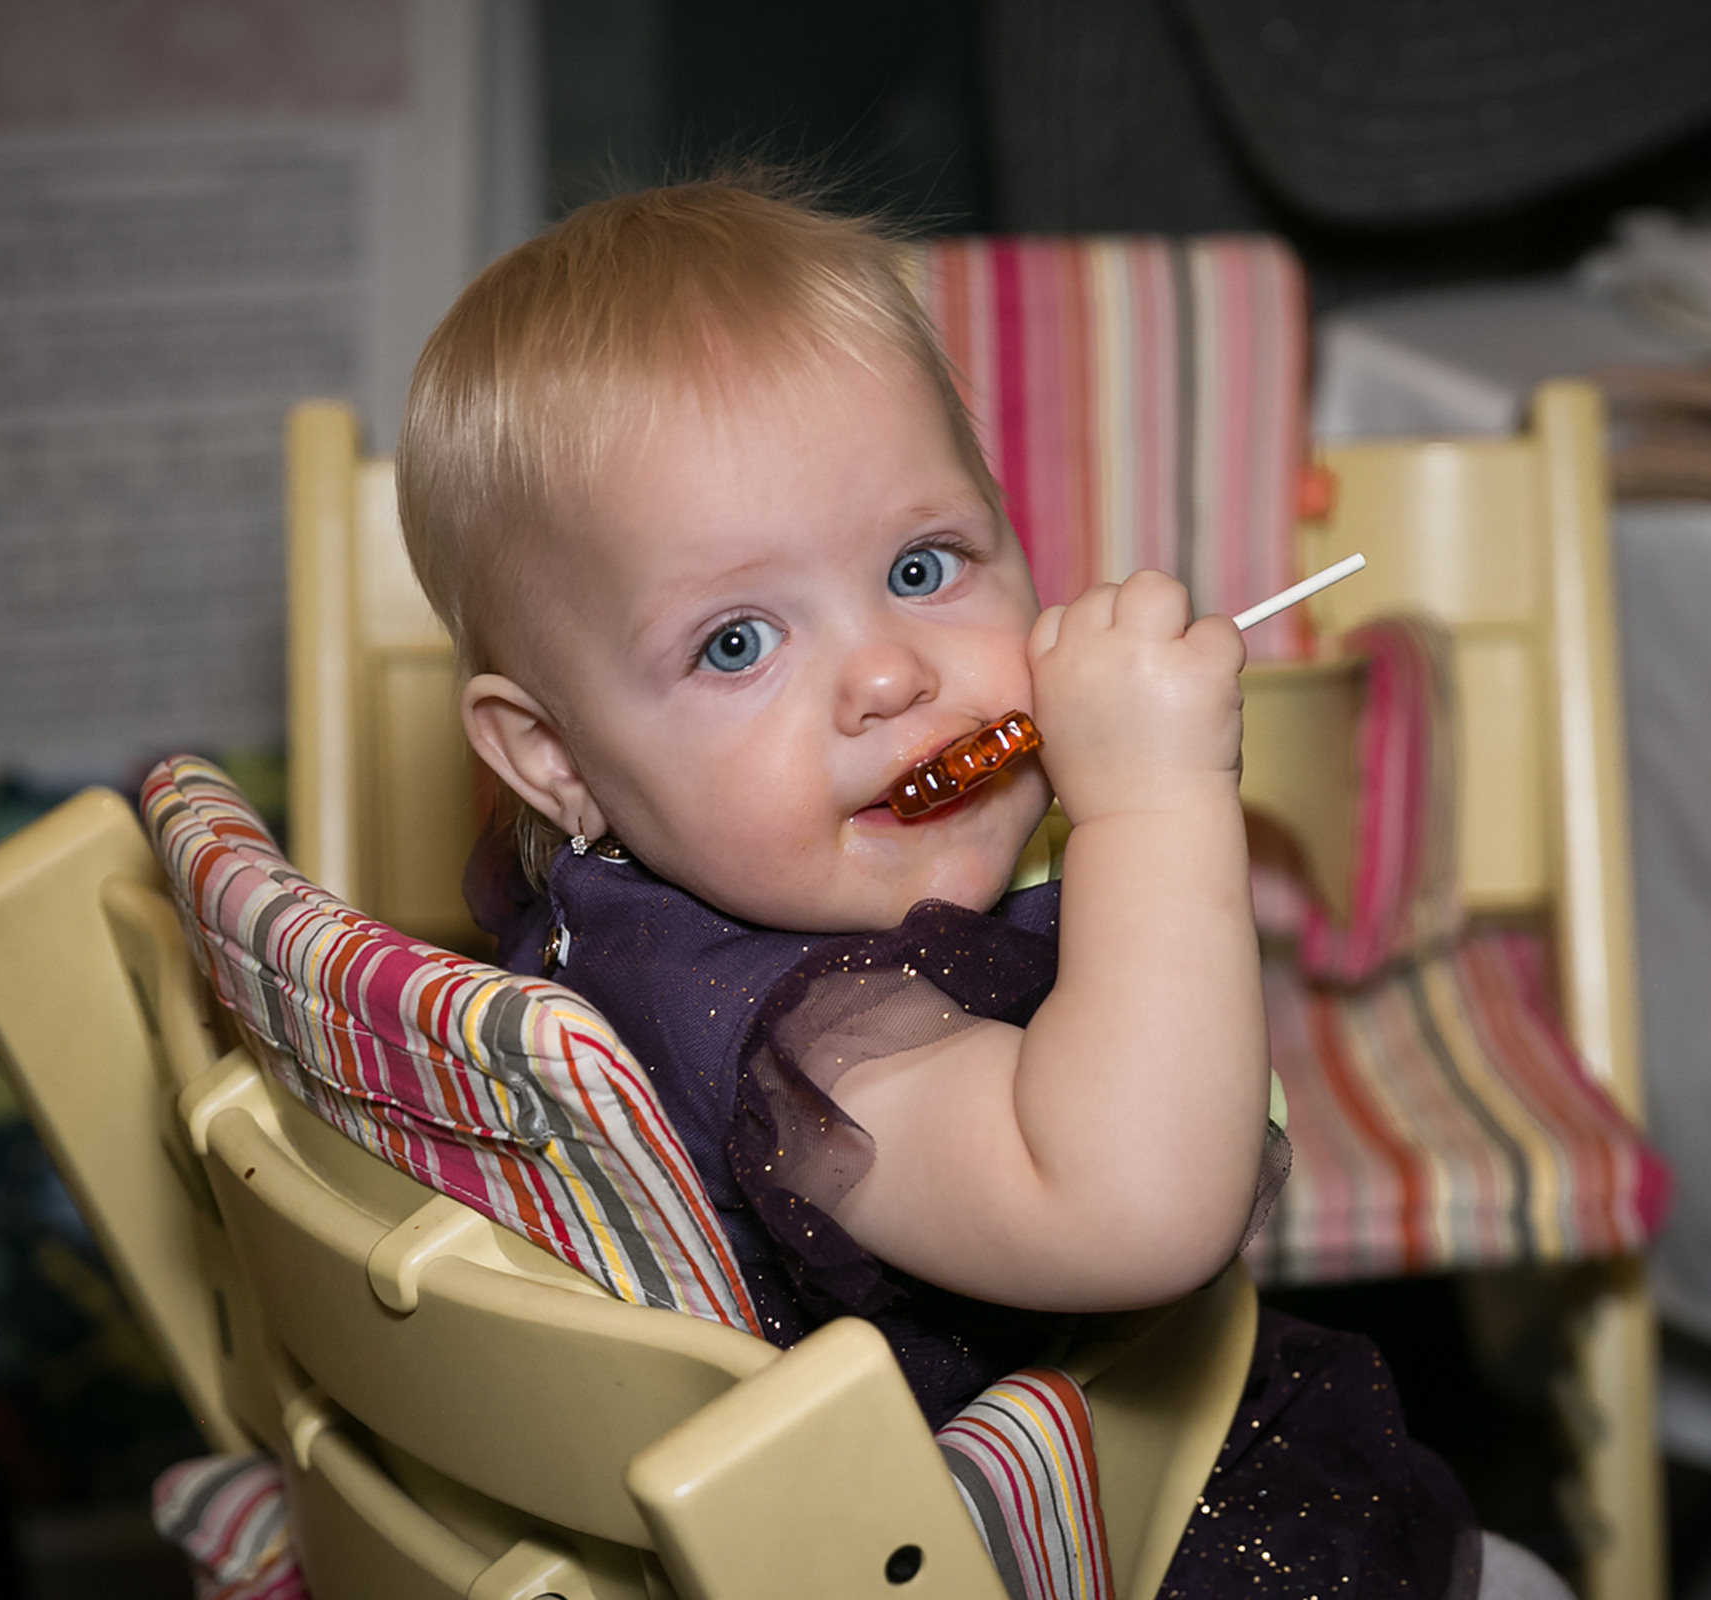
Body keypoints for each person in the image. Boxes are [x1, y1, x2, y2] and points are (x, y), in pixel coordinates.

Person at [396, 176, 1489, 1599]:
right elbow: (1133, 1209)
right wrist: (1153, 804)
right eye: (736, 644)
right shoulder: (805, 1045)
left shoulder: (646, 897)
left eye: (923, 566)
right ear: (555, 759)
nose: (887, 674)